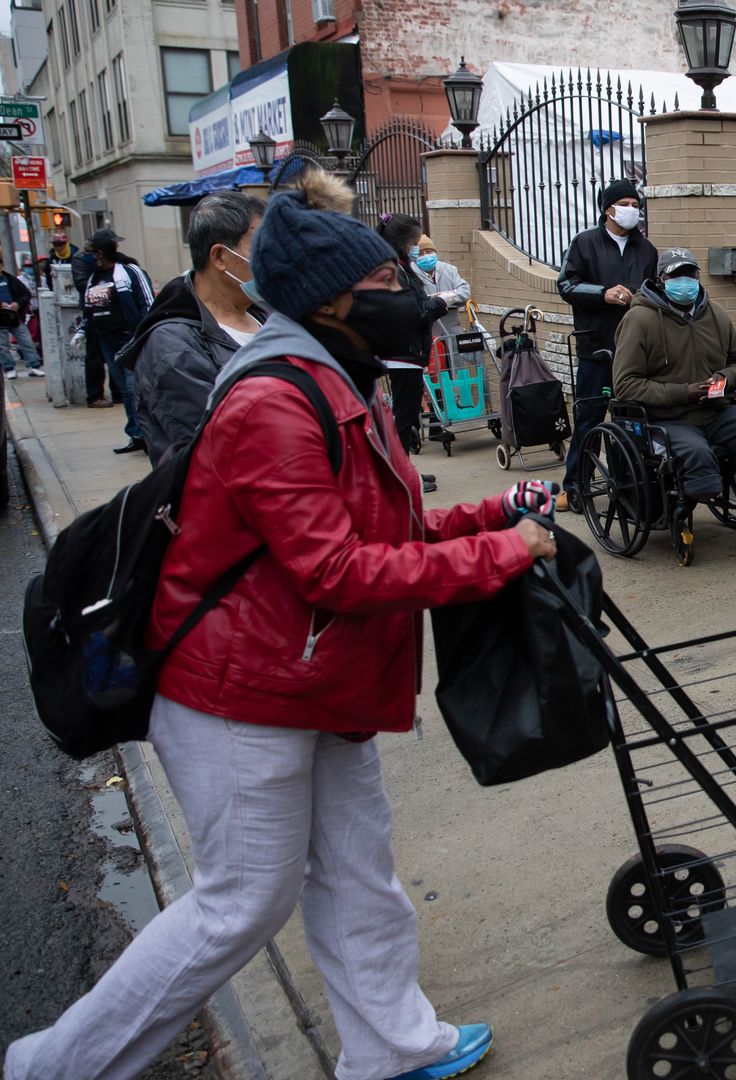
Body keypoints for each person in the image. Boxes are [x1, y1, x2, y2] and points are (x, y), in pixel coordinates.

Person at [2, 168, 556, 1080]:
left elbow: (389, 531)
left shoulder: (342, 377)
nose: (404, 295)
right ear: (333, 301)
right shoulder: (273, 399)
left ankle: (390, 1045)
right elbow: (332, 570)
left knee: (355, 873)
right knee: (239, 905)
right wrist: (499, 556)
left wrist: (491, 514)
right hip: (241, 693)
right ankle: (53, 1068)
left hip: (316, 678)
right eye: (384, 285)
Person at [613, 247, 736, 562]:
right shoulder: (639, 320)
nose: (684, 282)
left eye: (690, 275)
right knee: (701, 466)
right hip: (666, 419)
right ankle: (683, 508)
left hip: (716, 410)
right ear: (661, 280)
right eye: (676, 276)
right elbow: (626, 386)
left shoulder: (717, 315)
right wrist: (684, 392)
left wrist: (724, 378)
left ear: (698, 277)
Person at [121, 191, 268, 464]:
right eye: (262, 248)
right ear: (220, 257)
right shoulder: (172, 344)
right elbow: (218, 447)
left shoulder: (268, 317)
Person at [558, 178, 657, 512]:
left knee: (630, 421)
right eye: (625, 204)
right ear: (608, 209)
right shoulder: (585, 243)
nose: (631, 210)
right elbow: (567, 285)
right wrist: (603, 293)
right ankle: (575, 485)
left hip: (635, 349)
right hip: (596, 346)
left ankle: (627, 484)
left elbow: (654, 289)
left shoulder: (646, 249)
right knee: (589, 418)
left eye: (635, 204)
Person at [374, 214, 445, 486]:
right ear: (404, 242)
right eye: (416, 242)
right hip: (402, 355)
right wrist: (439, 304)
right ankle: (400, 476)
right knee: (404, 419)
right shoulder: (393, 271)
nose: (418, 247)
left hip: (406, 354)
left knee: (406, 417)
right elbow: (412, 313)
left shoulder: (400, 268)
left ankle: (403, 470)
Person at [82, 228, 156, 453]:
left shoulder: (129, 271)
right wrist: (83, 331)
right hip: (108, 341)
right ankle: (136, 434)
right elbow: (90, 309)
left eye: (90, 253)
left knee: (136, 389)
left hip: (129, 338)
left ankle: (148, 434)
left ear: (100, 254)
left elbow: (147, 301)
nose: (87, 257)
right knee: (125, 390)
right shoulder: (94, 278)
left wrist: (147, 332)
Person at [412, 234, 472, 343]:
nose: (425, 256)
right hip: (428, 332)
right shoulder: (410, 274)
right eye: (420, 253)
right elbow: (414, 300)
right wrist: (432, 299)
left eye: (429, 252)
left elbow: (465, 290)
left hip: (452, 329)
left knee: (455, 358)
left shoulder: (449, 269)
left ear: (435, 252)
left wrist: (448, 297)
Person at [0, 264, 44, 379]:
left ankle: (33, 366)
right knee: (2, 345)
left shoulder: (11, 279)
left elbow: (26, 294)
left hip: (15, 316)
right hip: (0, 318)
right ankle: (9, 368)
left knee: (26, 341)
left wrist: (18, 304)